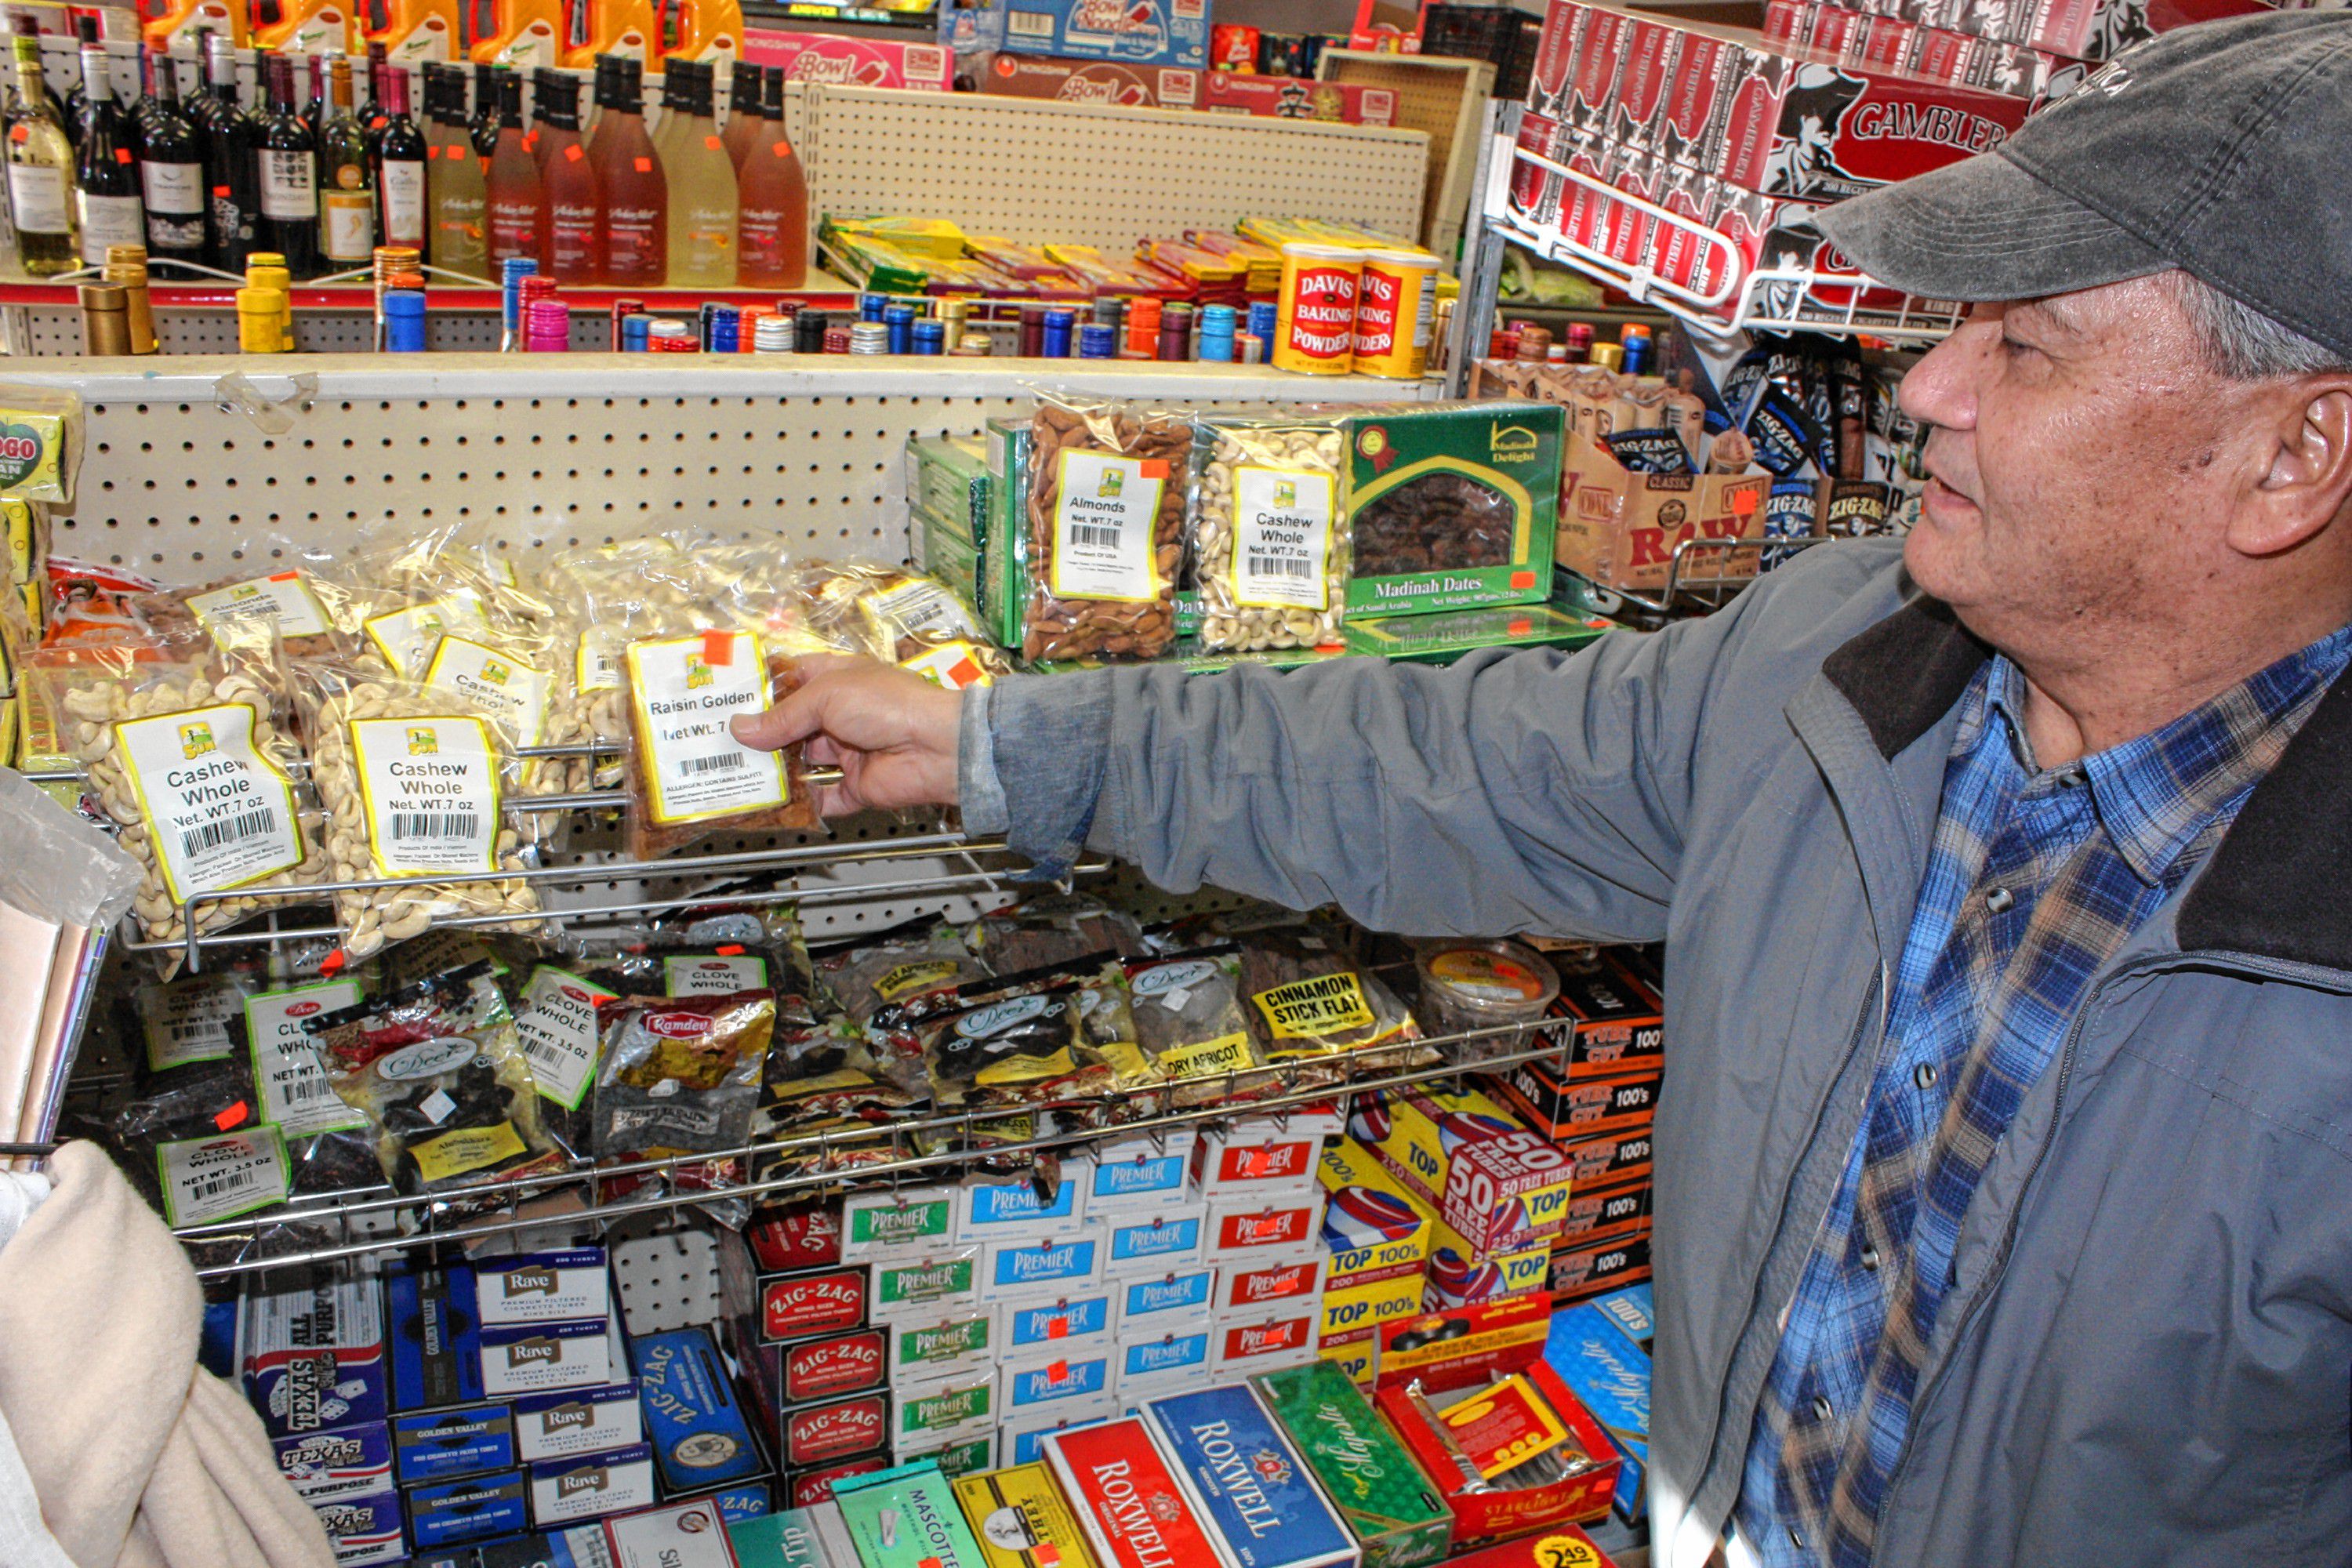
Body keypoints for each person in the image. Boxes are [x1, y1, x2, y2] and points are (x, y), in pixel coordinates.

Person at [734, 14, 2352, 1566]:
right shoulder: (1839, 657)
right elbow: (1445, 768)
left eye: (2028, 344)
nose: (1931, 387)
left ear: (2296, 456)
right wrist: (1001, 743)